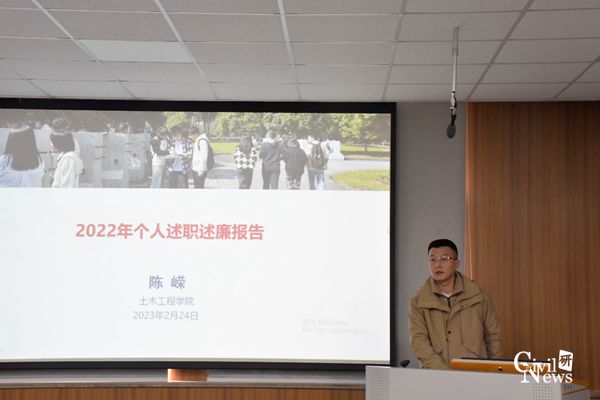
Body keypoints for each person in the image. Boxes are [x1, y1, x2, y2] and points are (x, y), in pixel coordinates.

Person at [409, 239, 502, 369]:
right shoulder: (418, 301)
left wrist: (495, 372)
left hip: (475, 373)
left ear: (456, 263)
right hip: (436, 375)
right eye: (433, 259)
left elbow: (493, 338)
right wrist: (444, 372)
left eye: (444, 258)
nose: (437, 264)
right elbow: (418, 341)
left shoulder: (479, 297)